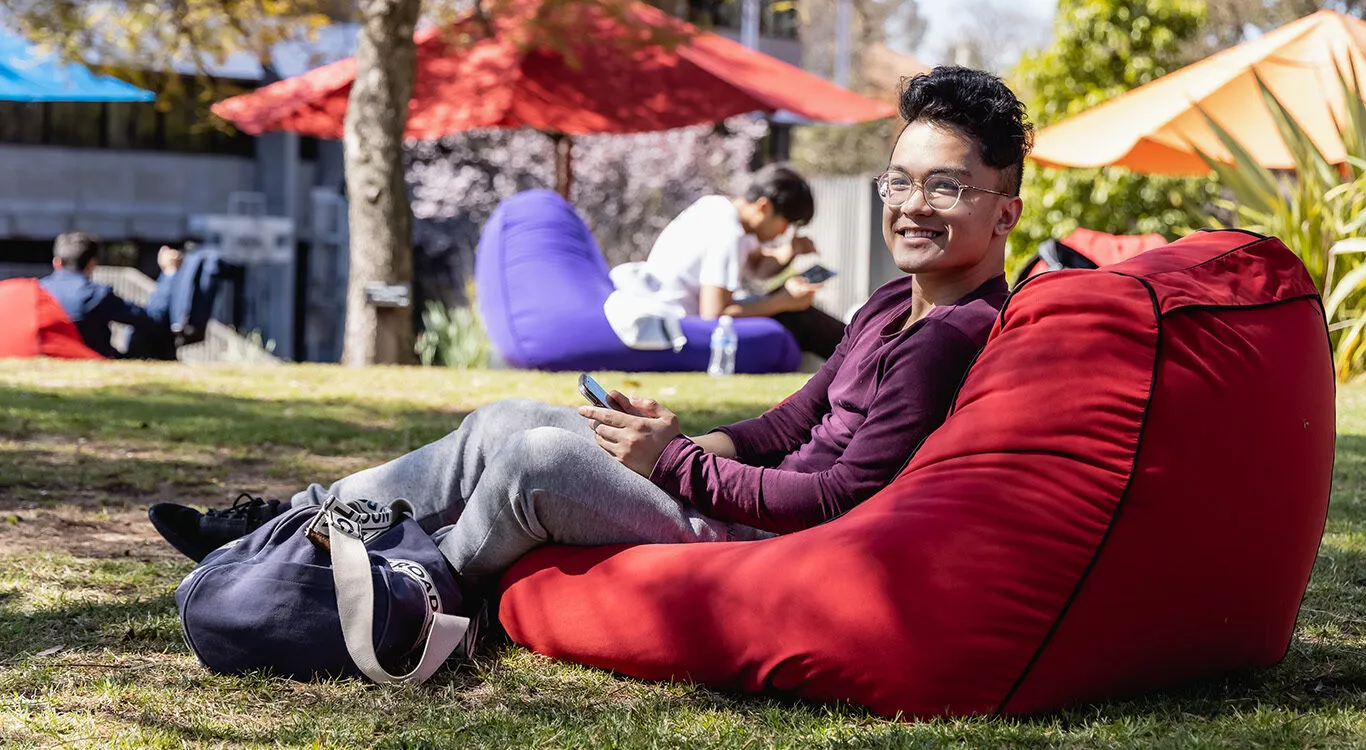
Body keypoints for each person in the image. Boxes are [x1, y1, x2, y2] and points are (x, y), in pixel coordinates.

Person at [150, 66, 1033, 590]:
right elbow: (788, 426)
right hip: (735, 497)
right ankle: (286, 525)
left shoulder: (950, 336)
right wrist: (668, 439)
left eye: (946, 186)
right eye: (899, 182)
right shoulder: (888, 306)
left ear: (1004, 212)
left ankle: (407, 592)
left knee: (539, 461)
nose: (913, 206)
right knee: (506, 420)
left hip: (773, 541)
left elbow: (838, 498)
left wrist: (673, 464)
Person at [643, 163, 847, 360]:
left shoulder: (719, 208)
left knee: (786, 306)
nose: (784, 233)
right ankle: (859, 352)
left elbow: (758, 267)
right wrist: (782, 302)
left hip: (666, 320)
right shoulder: (727, 233)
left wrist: (791, 251)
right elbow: (714, 314)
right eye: (786, 224)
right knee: (797, 318)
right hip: (679, 331)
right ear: (764, 207)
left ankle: (857, 348)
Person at [38, 232, 165, 360]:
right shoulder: (97, 294)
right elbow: (147, 318)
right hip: (91, 361)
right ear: (92, 263)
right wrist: (169, 275)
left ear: (56, 262)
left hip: (44, 358)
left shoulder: (36, 291)